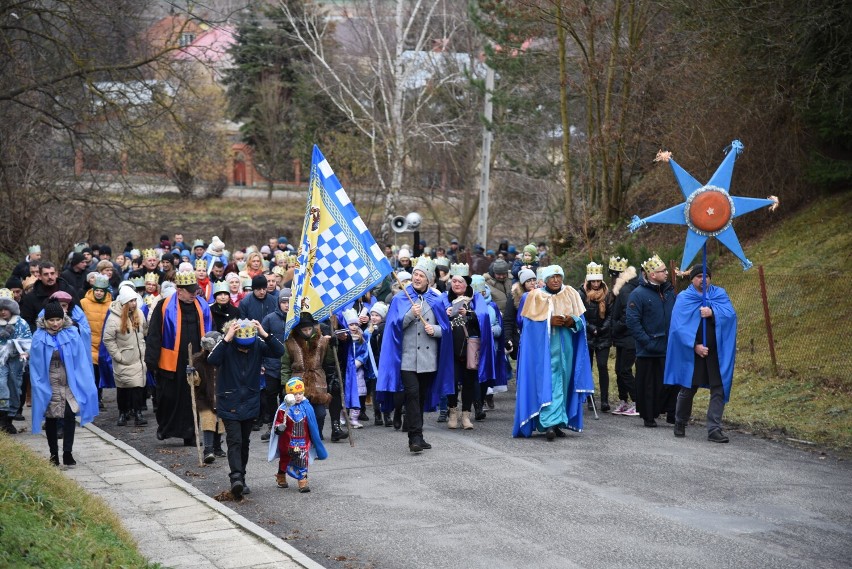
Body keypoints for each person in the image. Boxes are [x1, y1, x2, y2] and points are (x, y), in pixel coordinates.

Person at [377, 258, 454, 453]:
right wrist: (410, 314)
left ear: (429, 280)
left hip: (428, 360)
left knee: (419, 397)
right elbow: (393, 328)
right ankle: (415, 437)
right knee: (411, 394)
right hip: (407, 358)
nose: (417, 278)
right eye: (415, 275)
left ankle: (417, 434)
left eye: (421, 276)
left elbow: (446, 329)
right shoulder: (400, 298)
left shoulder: (436, 299)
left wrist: (434, 330)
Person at [513, 265, 593, 440]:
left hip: (566, 348)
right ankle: (549, 423)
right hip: (544, 351)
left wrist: (573, 322)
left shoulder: (571, 293)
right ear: (546, 279)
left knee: (564, 383)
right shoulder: (535, 296)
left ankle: (557, 423)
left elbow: (582, 322)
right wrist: (548, 322)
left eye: (559, 276)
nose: (556, 280)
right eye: (552, 277)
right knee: (549, 383)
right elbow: (527, 326)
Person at [207, 318, 285, 499]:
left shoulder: (257, 344)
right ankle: (235, 478)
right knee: (234, 441)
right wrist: (227, 339)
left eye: (247, 347)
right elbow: (213, 359)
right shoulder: (226, 345)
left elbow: (279, 351)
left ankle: (242, 477)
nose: (245, 350)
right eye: (242, 347)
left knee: (244, 441)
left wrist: (264, 334)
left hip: (250, 399)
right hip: (229, 400)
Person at [665, 266, 738, 442]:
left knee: (718, 388)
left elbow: (731, 316)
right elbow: (678, 327)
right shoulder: (684, 298)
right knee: (689, 389)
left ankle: (714, 429)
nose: (703, 280)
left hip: (715, 352)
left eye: (706, 276)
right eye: (699, 276)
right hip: (694, 353)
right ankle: (680, 421)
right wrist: (695, 346)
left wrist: (713, 313)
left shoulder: (719, 294)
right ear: (692, 279)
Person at [145, 269, 212, 445]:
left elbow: (211, 332)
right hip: (171, 362)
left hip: (197, 360)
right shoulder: (164, 306)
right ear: (179, 289)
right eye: (190, 291)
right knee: (169, 397)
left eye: (195, 290)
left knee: (194, 397)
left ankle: (190, 434)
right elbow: (154, 334)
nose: (193, 294)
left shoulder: (202, 306)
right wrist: (151, 360)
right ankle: (166, 428)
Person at [30, 301, 98, 466]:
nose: (55, 323)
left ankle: (68, 452)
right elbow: (36, 364)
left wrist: (85, 381)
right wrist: (39, 386)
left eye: (58, 319)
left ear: (63, 318)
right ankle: (54, 454)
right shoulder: (39, 336)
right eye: (51, 320)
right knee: (52, 419)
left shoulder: (72, 333)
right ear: (45, 320)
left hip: (69, 383)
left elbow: (81, 359)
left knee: (69, 416)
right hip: (50, 384)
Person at [280, 312, 348, 443]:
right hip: (297, 381)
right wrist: (285, 384)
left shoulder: (322, 340)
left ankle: (318, 435)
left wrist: (334, 345)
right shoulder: (289, 342)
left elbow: (329, 360)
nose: (307, 332)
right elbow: (285, 365)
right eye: (304, 330)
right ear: (299, 329)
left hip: (317, 380)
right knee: (301, 413)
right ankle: (304, 437)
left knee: (320, 413)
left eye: (309, 329)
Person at [626, 255, 676, 428]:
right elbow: (632, 321)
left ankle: (670, 412)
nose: (666, 273)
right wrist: (647, 342)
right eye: (663, 271)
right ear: (652, 274)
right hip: (647, 349)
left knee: (669, 383)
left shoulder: (669, 291)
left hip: (667, 346)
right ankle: (648, 416)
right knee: (647, 384)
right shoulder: (638, 294)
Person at [268, 377, 327, 493]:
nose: (298, 396)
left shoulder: (307, 406)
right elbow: (278, 422)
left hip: (302, 440)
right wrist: (279, 428)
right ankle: (281, 475)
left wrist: (313, 438)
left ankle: (302, 482)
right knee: (285, 459)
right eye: (295, 394)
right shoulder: (284, 408)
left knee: (302, 459)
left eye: (300, 393)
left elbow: (312, 424)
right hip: (287, 441)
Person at [102, 287, 148, 427]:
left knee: (138, 387)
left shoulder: (139, 313)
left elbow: (144, 329)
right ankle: (123, 412)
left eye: (135, 300)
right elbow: (108, 339)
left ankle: (138, 412)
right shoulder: (114, 318)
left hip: (138, 357)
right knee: (123, 388)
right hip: (124, 359)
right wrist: (118, 356)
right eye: (131, 301)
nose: (134, 303)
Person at [578, 261, 613, 412]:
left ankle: (604, 400)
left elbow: (611, 314)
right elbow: (579, 315)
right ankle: (590, 398)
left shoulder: (608, 294)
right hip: (588, 334)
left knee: (602, 366)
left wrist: (603, 328)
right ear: (589, 281)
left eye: (599, 281)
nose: (596, 284)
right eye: (593, 281)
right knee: (588, 367)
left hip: (603, 335)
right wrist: (591, 328)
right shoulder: (582, 294)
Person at [189, 331, 226, 463]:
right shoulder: (198, 362)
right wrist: (192, 374)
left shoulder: (224, 359)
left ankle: (217, 447)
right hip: (205, 398)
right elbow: (195, 383)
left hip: (221, 397)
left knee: (220, 422)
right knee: (208, 421)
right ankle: (208, 450)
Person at [259, 288, 291, 441]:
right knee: (271, 398)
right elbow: (261, 341)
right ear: (279, 303)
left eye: (289, 302)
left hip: (290, 367)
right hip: (271, 366)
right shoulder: (270, 319)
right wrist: (262, 362)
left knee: (288, 398)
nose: (286, 305)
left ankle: (287, 426)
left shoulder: (295, 319)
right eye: (284, 302)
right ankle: (272, 426)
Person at [609, 258, 640, 416]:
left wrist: (615, 328)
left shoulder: (626, 290)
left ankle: (637, 402)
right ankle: (623, 400)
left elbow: (628, 314)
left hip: (629, 337)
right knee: (619, 370)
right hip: (622, 338)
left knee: (625, 370)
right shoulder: (622, 288)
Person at [0, 289, 31, 433]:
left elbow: (28, 341)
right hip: (0, 361)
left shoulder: (21, 323)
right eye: (0, 309)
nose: (3, 312)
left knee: (15, 386)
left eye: (6, 308)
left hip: (17, 361)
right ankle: (2, 418)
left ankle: (10, 418)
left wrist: (25, 350)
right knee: (1, 385)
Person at [80, 274, 112, 409]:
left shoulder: (111, 305)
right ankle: (90, 398)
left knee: (99, 373)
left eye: (101, 291)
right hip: (88, 342)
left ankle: (98, 397)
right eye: (96, 290)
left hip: (103, 344)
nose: (98, 293)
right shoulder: (83, 303)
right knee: (90, 372)